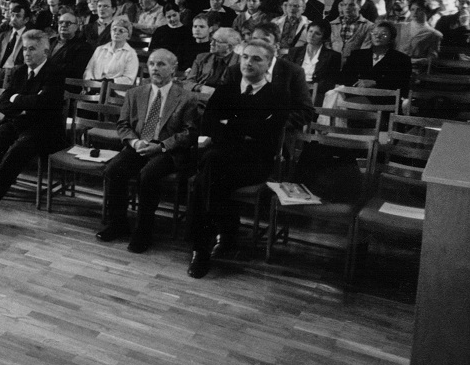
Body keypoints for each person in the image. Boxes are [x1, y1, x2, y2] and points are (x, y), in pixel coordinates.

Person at [187, 40, 292, 279]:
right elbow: (209, 124)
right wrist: (243, 128)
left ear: (268, 63)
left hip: (255, 163)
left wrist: (229, 124)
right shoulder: (226, 89)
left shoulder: (279, 95)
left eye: (256, 58)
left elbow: (267, 135)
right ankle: (218, 239)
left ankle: (203, 246)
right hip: (221, 159)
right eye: (245, 57)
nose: (248, 62)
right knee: (212, 171)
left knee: (207, 173)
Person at [0, 30, 68, 230]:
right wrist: (24, 105)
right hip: (17, 122)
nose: (27, 53)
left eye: (32, 49)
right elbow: (2, 103)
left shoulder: (55, 72)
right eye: (25, 49)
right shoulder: (19, 71)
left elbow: (44, 103)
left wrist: (17, 99)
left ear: (45, 51)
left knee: (15, 153)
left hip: (43, 129)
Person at [96, 49, 201, 253]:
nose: (155, 68)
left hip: (167, 150)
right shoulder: (135, 93)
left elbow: (189, 133)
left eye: (161, 64)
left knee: (148, 175)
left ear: (173, 68)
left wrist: (161, 146)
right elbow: (123, 124)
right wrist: (135, 142)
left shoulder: (186, 98)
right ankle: (118, 224)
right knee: (113, 170)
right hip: (139, 144)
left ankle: (143, 232)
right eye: (152, 64)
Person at [337, 21, 412, 95]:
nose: (378, 36)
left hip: (384, 99)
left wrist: (376, 83)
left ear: (391, 38)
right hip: (355, 96)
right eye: (375, 33)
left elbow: (402, 85)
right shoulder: (357, 55)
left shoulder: (401, 59)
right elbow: (343, 77)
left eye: (384, 34)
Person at [289, 21, 341, 100]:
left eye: (317, 33)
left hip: (317, 94)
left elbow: (330, 82)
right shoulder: (294, 52)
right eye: (310, 31)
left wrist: (310, 87)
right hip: (293, 91)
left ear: (324, 37)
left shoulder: (333, 56)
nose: (311, 35)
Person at [83, 16, 139, 84]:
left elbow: (128, 79)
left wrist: (108, 83)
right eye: (114, 29)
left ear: (128, 36)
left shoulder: (131, 54)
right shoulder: (100, 49)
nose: (116, 32)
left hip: (115, 89)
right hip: (93, 87)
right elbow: (89, 70)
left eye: (121, 31)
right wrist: (90, 83)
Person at [43, 11, 94, 80]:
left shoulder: (84, 47)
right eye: (61, 22)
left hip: (63, 84)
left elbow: (74, 72)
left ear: (76, 27)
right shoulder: (49, 41)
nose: (63, 25)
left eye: (68, 23)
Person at [0, 3, 30, 74]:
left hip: (16, 75)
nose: (14, 19)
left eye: (18, 16)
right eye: (12, 15)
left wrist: (10, 73)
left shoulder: (29, 37)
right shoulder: (2, 36)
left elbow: (27, 63)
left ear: (26, 20)